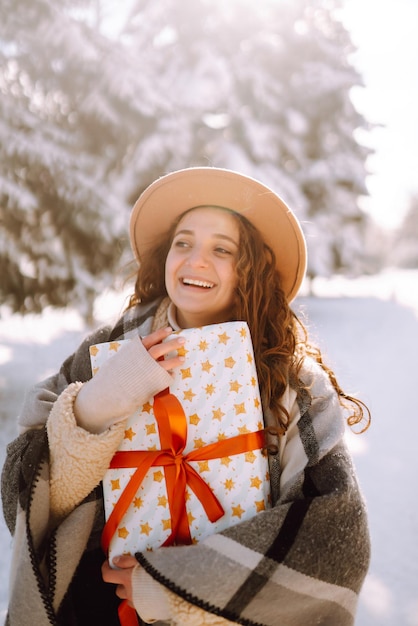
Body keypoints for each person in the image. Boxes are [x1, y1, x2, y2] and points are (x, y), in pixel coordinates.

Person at [1, 167, 371, 626]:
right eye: (183, 242)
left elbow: (334, 540)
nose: (195, 260)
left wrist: (172, 589)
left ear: (252, 268)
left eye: (222, 248)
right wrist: (100, 402)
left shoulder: (295, 384)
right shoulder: (104, 354)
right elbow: (27, 498)